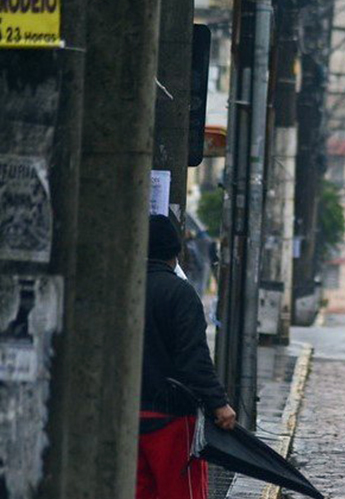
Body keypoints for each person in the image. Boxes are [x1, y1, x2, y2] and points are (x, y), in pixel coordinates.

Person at [137, 214, 236, 499]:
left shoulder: (121, 291)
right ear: (176, 251)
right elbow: (193, 358)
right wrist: (219, 404)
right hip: (172, 418)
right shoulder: (181, 294)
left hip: (127, 414)